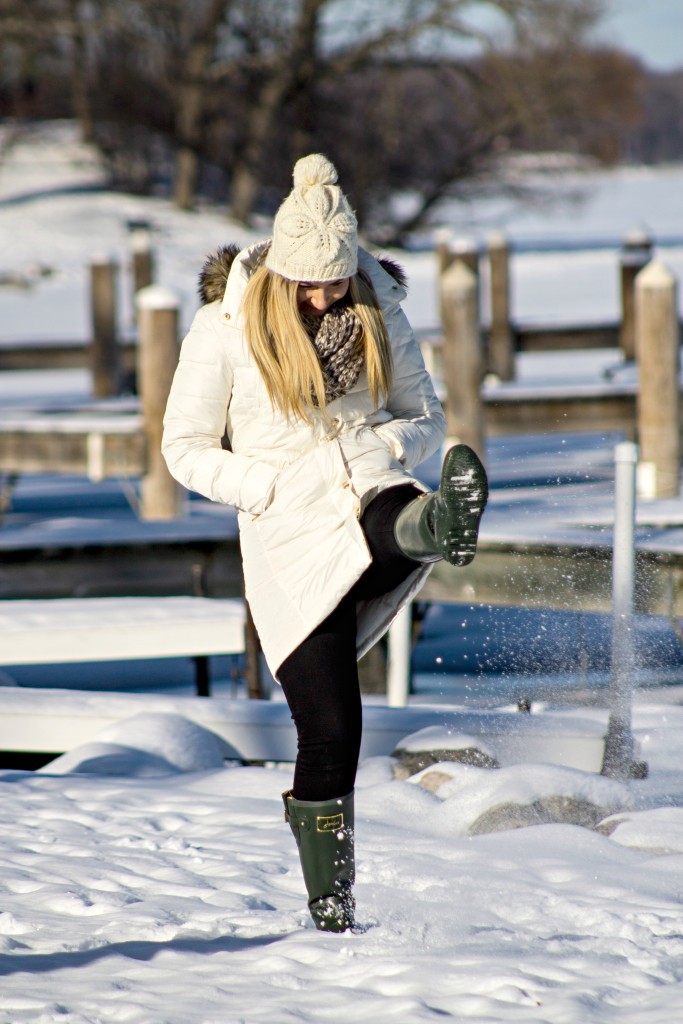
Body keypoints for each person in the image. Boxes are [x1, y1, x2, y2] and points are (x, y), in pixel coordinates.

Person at [162, 153, 488, 933]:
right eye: (307, 283)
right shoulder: (226, 327)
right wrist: (265, 489)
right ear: (278, 270)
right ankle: (331, 909)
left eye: (335, 280)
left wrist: (378, 447)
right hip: (287, 541)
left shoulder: (380, 312)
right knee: (332, 729)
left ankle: (440, 523)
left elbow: (426, 417)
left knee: (390, 520)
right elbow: (183, 448)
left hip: (371, 492)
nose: (322, 295)